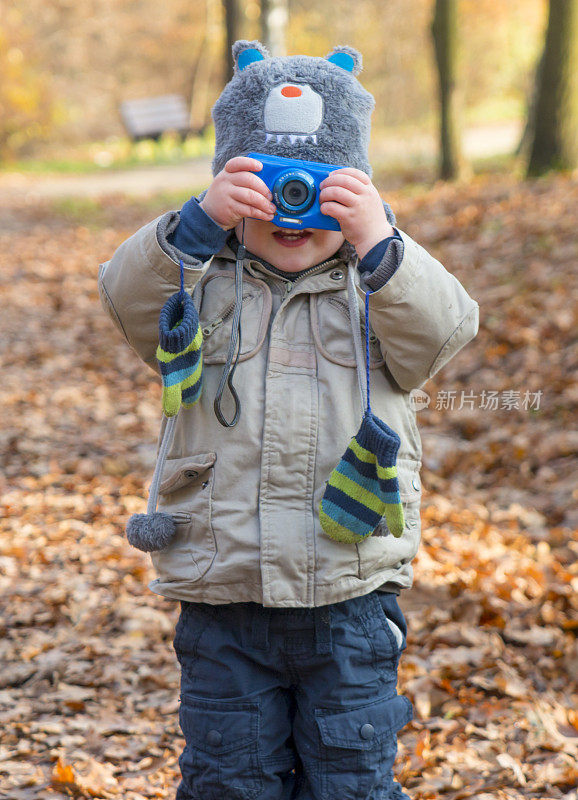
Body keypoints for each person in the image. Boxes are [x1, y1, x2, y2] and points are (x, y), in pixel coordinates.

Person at [97, 40, 479, 800]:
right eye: (269, 186)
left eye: (318, 186)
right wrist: (198, 227)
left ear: (357, 190)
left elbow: (444, 333)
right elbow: (124, 298)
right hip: (223, 596)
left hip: (350, 597)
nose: (292, 205)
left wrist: (383, 243)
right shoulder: (198, 282)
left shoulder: (376, 284)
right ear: (232, 191)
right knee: (228, 781)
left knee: (352, 779)